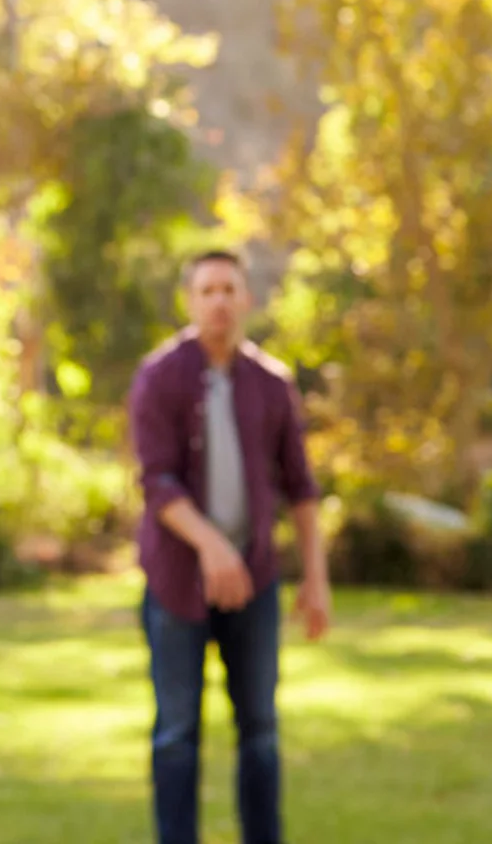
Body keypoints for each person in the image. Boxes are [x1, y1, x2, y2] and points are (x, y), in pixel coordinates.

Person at [127, 249, 332, 844]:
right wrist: (212, 545)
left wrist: (315, 580)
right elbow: (156, 480)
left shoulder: (271, 384)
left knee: (261, 732)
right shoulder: (158, 377)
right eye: (207, 290)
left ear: (246, 299)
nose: (219, 300)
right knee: (177, 733)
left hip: (257, 583)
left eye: (229, 289)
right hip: (176, 584)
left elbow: (301, 487)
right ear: (191, 301)